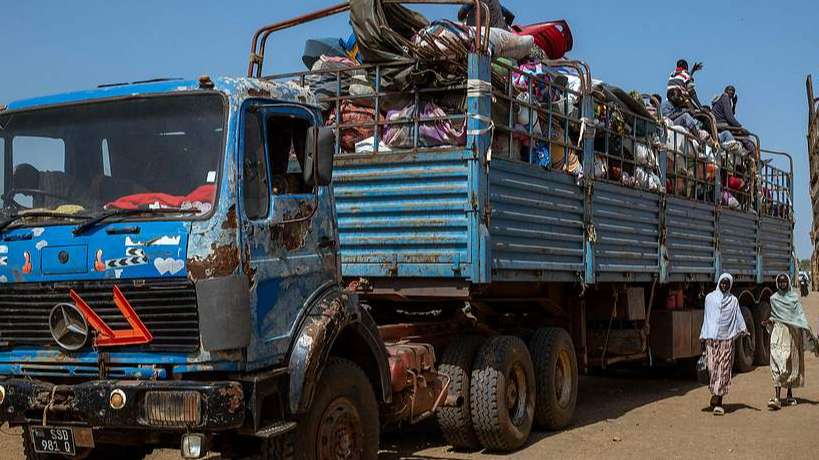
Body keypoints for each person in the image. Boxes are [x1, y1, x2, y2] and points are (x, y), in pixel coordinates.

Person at [766, 273, 819, 410]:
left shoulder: (794, 298)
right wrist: (768, 321)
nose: (782, 284)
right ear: (777, 283)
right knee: (778, 361)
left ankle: (789, 394)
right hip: (779, 332)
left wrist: (807, 330)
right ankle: (777, 397)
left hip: (793, 334)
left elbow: (799, 315)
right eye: (780, 282)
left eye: (784, 282)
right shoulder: (773, 299)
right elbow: (774, 315)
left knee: (790, 362)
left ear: (788, 283)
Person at [700, 273, 749, 415]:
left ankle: (719, 402)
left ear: (730, 285)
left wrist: (744, 330)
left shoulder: (733, 301)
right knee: (711, 367)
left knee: (723, 369)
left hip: (726, 339)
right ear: (719, 283)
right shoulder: (709, 298)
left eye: (727, 284)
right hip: (711, 339)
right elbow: (707, 318)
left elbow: (738, 316)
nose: (724, 286)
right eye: (722, 283)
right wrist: (703, 335)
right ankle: (715, 394)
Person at [711, 85, 756, 155]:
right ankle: (754, 159)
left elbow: (730, 114)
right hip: (721, 125)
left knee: (743, 135)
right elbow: (729, 117)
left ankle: (749, 155)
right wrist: (740, 128)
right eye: (730, 90)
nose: (731, 92)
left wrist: (734, 104)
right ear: (725, 91)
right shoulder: (725, 97)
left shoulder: (723, 99)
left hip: (721, 125)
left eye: (733, 91)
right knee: (745, 137)